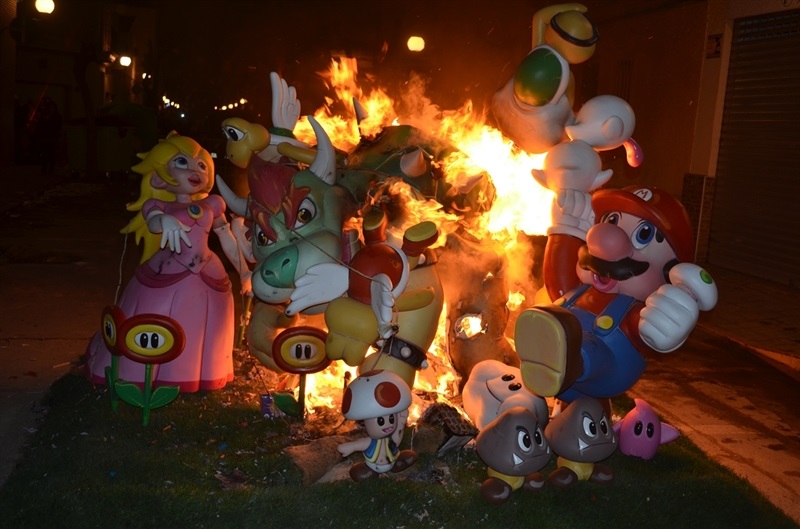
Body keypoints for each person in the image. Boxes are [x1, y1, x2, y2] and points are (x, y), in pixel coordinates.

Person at [86, 132, 251, 392]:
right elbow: (153, 223)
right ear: (159, 176)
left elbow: (226, 237)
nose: (194, 171)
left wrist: (244, 272)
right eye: (182, 163)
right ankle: (153, 373)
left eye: (201, 165)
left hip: (209, 272)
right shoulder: (158, 205)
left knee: (209, 322)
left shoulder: (213, 204)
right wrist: (163, 220)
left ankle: (205, 373)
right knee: (158, 314)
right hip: (168, 270)